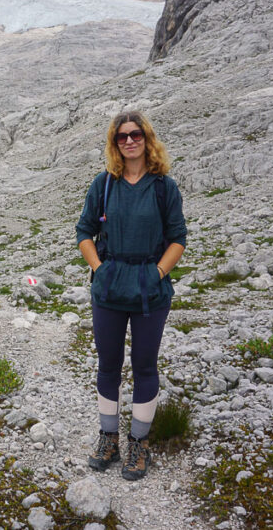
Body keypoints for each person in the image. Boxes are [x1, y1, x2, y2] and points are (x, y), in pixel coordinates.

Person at [75, 110, 187, 480]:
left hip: (149, 289)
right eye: (121, 136)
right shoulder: (103, 184)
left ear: (147, 138)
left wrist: (157, 273)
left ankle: (138, 444)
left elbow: (177, 238)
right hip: (109, 286)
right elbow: (84, 231)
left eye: (135, 134)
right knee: (108, 365)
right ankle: (109, 438)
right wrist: (99, 268)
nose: (129, 141)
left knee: (144, 366)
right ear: (115, 143)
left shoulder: (163, 187)